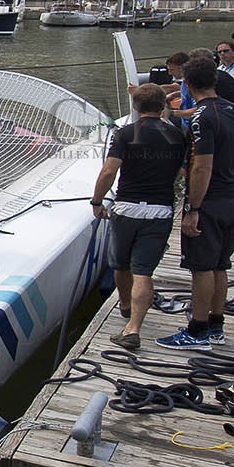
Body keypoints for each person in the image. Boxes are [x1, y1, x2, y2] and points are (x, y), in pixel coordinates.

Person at [157, 55, 234, 351]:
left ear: (188, 83)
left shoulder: (202, 117)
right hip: (233, 197)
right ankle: (216, 326)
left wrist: (193, 209)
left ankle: (196, 331)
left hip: (209, 201)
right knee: (221, 265)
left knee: (202, 268)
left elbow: (201, 167)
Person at [93, 83, 187, 351]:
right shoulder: (176, 135)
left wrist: (97, 201)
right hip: (160, 210)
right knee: (143, 271)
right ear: (162, 106)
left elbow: (109, 172)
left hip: (127, 208)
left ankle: (125, 305)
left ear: (136, 107)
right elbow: (184, 172)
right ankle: (133, 326)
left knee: (121, 265)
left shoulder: (125, 134)